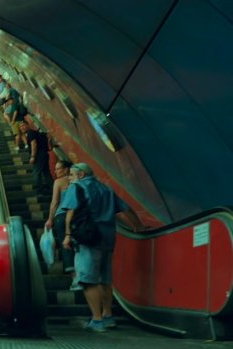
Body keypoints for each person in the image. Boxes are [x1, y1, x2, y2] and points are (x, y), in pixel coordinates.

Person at [60, 163, 143, 333]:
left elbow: (70, 212)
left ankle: (97, 320)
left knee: (88, 280)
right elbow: (126, 209)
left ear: (81, 174)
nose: (70, 177)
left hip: (88, 237)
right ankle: (108, 316)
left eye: (72, 174)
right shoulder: (106, 189)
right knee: (105, 279)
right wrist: (138, 226)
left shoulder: (77, 188)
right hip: (108, 238)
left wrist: (68, 235)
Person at [45, 160, 75, 275]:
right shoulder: (76, 181)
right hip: (76, 217)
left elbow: (55, 202)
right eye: (55, 169)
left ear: (66, 169)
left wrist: (50, 219)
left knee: (65, 244)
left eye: (58, 169)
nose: (55, 171)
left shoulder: (58, 182)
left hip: (61, 216)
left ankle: (73, 275)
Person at [20, 122, 52, 195]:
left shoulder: (30, 133)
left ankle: (40, 190)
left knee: (36, 173)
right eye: (20, 127)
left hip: (38, 156)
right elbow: (48, 139)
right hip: (44, 154)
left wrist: (33, 156)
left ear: (28, 125)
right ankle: (52, 189)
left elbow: (34, 144)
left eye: (23, 125)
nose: (22, 127)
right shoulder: (37, 133)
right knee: (46, 173)